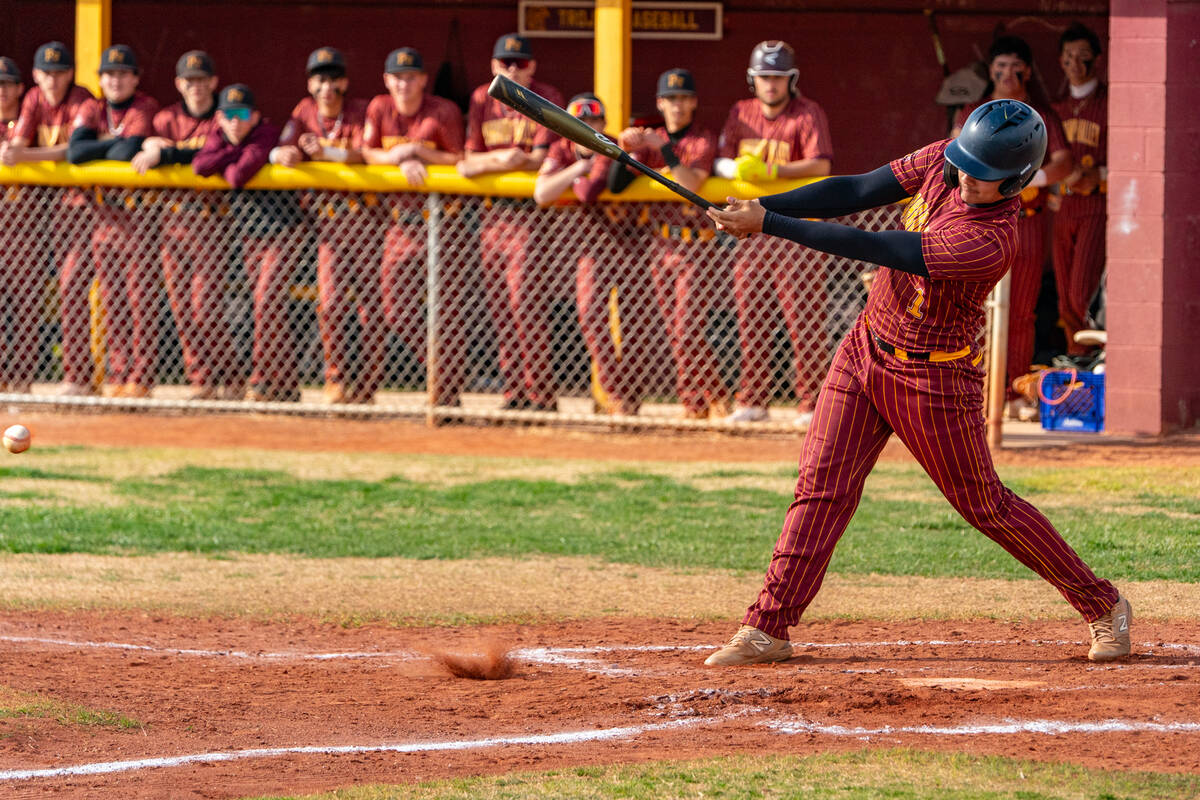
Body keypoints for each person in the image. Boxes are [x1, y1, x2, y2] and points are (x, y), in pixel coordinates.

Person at [703, 99, 1130, 667]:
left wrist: (772, 225)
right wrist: (761, 206)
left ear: (1016, 183)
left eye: (984, 176)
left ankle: (1103, 604)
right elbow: (857, 190)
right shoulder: (945, 160)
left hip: (934, 376)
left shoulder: (993, 239)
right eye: (965, 165)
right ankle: (768, 626)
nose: (967, 179)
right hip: (864, 349)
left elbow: (878, 245)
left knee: (986, 506)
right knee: (820, 486)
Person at [953, 35, 1072, 422]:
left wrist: (1026, 180)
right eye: (1000, 66)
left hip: (1027, 221)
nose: (1008, 74)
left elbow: (1063, 164)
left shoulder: (1040, 114)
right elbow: (953, 160)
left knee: (1021, 311)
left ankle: (1014, 389)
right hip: (979, 222)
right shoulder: (973, 110)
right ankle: (976, 391)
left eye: (1015, 66)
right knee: (974, 310)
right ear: (990, 70)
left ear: (1028, 70)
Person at [714, 41, 834, 426]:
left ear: (790, 80)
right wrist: (735, 171)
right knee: (752, 317)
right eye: (765, 77)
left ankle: (812, 403)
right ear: (753, 79)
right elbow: (721, 158)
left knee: (804, 318)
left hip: (796, 230)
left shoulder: (808, 112)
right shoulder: (740, 112)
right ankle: (752, 399)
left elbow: (822, 163)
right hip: (750, 228)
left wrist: (772, 173)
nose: (771, 84)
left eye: (778, 77)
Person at [608, 68, 725, 419]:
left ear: (694, 102)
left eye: (684, 98)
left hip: (696, 244)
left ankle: (711, 397)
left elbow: (691, 184)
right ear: (661, 103)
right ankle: (697, 402)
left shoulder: (702, 138)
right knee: (670, 330)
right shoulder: (652, 139)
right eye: (671, 99)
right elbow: (616, 187)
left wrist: (665, 150)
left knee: (686, 328)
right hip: (659, 243)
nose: (677, 105)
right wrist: (624, 150)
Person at [458, 33, 563, 412]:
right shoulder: (480, 98)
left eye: (519, 63)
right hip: (491, 215)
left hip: (530, 217)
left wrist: (513, 162)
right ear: (493, 66)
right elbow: (468, 160)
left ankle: (540, 392)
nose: (512, 69)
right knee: (500, 305)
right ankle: (514, 389)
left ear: (532, 66)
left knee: (524, 302)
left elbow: (544, 156)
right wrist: (501, 162)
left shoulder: (547, 95)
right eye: (505, 63)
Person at [534, 93, 653, 416]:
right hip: (593, 245)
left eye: (594, 122)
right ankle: (615, 390)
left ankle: (630, 397)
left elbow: (588, 192)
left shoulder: (611, 145)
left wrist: (577, 173)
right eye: (579, 122)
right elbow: (541, 193)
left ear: (603, 124)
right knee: (589, 314)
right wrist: (579, 167)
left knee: (635, 324)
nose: (587, 128)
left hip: (633, 242)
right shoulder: (562, 147)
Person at [132, 50, 241, 401]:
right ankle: (202, 379)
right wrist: (149, 143)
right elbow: (141, 144)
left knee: (204, 306)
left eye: (202, 80)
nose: (196, 86)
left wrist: (166, 153)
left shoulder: (225, 116)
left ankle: (234, 374)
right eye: (189, 81)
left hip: (210, 222)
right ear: (179, 84)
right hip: (172, 220)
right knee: (180, 308)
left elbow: (212, 154)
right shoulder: (166, 118)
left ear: (214, 82)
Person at [270, 47, 375, 404]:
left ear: (344, 81)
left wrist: (326, 153)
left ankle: (367, 385)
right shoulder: (303, 111)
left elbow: (366, 153)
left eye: (333, 78)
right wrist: (284, 154)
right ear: (310, 83)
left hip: (364, 220)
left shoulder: (361, 110)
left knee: (370, 308)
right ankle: (336, 378)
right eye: (319, 78)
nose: (326, 86)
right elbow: (283, 148)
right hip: (326, 222)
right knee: (329, 304)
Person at [362, 47, 466, 406]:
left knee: (447, 311)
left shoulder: (443, 111)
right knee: (396, 308)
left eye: (411, 76)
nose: (403, 83)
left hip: (444, 223)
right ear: (386, 80)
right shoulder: (379, 107)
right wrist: (396, 158)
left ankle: (447, 394)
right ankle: (438, 369)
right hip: (400, 225)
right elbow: (368, 153)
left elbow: (458, 159)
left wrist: (417, 153)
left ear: (423, 79)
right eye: (397, 76)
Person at [2, 42, 95, 395]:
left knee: (73, 288)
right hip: (47, 212)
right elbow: (18, 144)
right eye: (45, 73)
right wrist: (19, 151)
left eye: (58, 73)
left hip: (87, 209)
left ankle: (79, 378)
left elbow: (76, 151)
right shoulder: (33, 99)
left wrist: (23, 155)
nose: (52, 80)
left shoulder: (84, 101)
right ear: (36, 76)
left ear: (70, 73)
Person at [67, 44, 160, 398]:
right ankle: (118, 375)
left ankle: (140, 376)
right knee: (112, 297)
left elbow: (127, 151)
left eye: (123, 73)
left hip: (136, 216)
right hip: (103, 216)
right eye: (109, 74)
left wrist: (106, 143)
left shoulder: (144, 106)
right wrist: (115, 143)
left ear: (135, 78)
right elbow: (76, 153)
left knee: (139, 298)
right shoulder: (93, 106)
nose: (115, 80)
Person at [193, 84, 295, 402]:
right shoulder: (219, 134)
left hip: (285, 230)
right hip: (252, 233)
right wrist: (232, 154)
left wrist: (228, 158)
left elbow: (236, 176)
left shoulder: (266, 133)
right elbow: (199, 166)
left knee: (266, 300)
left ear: (255, 116)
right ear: (219, 117)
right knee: (268, 306)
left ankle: (262, 378)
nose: (235, 122)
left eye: (242, 114)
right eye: (228, 115)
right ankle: (288, 382)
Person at [1051, 22, 1107, 357]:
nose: (1075, 63)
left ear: (1096, 60)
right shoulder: (1056, 110)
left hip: (1096, 202)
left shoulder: (1110, 103)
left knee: (1081, 292)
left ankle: (1091, 361)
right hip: (1064, 207)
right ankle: (1076, 362)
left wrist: (1097, 174)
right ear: (1059, 60)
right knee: (1063, 298)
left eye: (1083, 56)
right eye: (1069, 55)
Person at [0, 55, 34, 395]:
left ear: (20, 88)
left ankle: (22, 378)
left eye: (7, 84)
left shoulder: (29, 126)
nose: (1, 90)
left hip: (23, 228)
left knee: (24, 305)